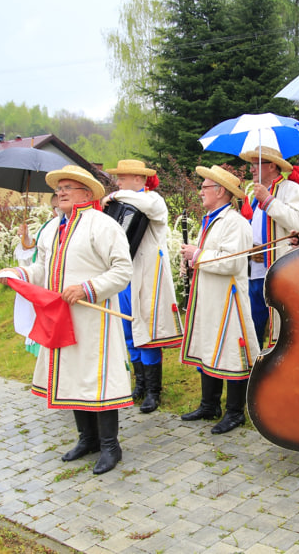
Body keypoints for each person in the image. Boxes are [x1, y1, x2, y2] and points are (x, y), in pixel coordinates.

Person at [1, 165, 133, 475]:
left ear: (87, 194)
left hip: (93, 317)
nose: (60, 192)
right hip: (61, 317)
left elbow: (122, 270)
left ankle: (111, 446)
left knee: (96, 379)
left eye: (67, 188)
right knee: (71, 375)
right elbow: (42, 271)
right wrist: (17, 275)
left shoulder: (103, 226)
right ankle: (87, 439)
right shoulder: (52, 229)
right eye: (58, 188)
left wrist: (89, 288)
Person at [179, 165, 260, 434]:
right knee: (208, 345)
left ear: (220, 191)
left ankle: (235, 412)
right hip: (211, 296)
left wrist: (197, 254)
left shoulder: (234, 222)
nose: (200, 192)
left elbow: (230, 262)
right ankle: (209, 404)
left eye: (204, 187)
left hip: (229, 299)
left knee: (231, 352)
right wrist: (192, 258)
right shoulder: (212, 218)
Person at [101, 160, 183, 414]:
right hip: (125, 276)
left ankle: (153, 391)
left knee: (147, 331)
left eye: (122, 178)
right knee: (128, 330)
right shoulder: (122, 203)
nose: (118, 183)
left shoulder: (153, 199)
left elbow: (146, 205)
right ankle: (140, 384)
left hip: (148, 276)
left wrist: (113, 195)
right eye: (118, 180)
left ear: (138, 178)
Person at [239, 147, 299, 347]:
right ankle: (255, 371)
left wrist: (269, 201)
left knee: (281, 329)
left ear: (272, 166)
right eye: (251, 165)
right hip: (254, 273)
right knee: (253, 328)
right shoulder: (254, 192)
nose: (251, 170)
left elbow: (298, 222)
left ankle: (280, 372)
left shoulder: (291, 189)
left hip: (280, 272)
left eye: (256, 164)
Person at [15, 194, 60, 356]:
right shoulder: (47, 227)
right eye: (54, 208)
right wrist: (25, 238)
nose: (57, 211)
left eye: (59, 206)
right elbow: (35, 256)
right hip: (44, 285)